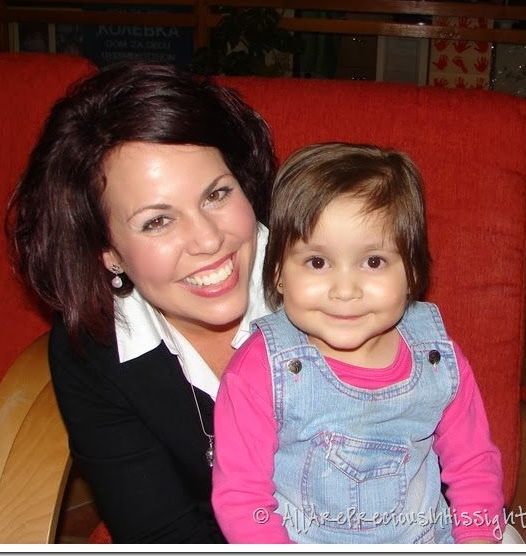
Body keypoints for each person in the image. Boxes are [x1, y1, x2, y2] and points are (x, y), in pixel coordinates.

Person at [5, 61, 277, 543]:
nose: (209, 240)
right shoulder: (93, 349)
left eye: (216, 194)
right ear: (108, 252)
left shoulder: (338, 286)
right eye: (157, 221)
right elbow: (159, 531)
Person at [212, 142, 505, 544]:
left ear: (412, 273)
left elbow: (475, 466)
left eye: (373, 262)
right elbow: (243, 499)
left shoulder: (437, 358)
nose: (345, 290)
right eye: (317, 262)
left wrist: (478, 541)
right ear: (278, 272)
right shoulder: (261, 369)